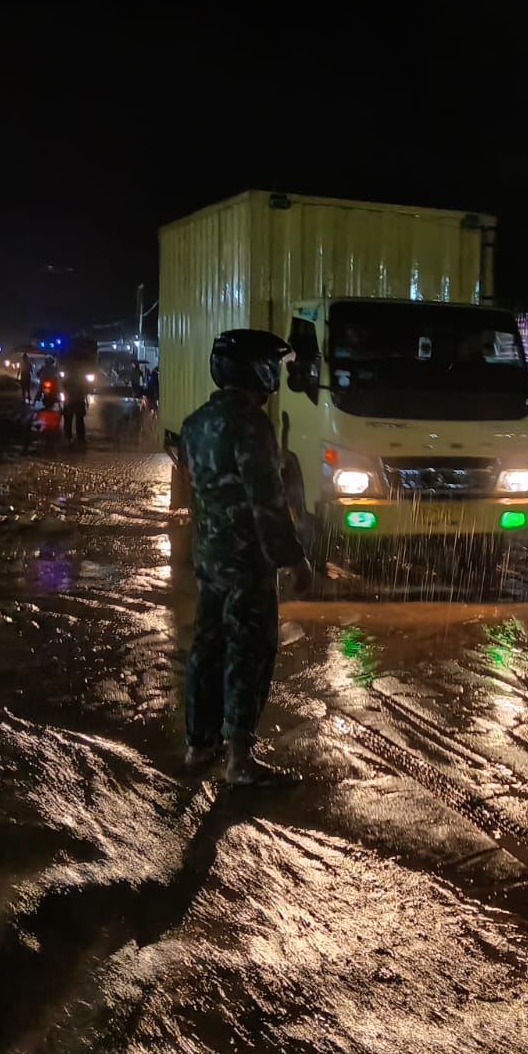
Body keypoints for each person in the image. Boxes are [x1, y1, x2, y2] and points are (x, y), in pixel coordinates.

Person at [180, 329, 313, 784]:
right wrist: (294, 559)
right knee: (249, 650)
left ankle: (199, 745)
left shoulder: (195, 423)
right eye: (269, 364)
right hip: (246, 561)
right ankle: (239, 760)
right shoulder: (251, 424)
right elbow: (267, 503)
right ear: (254, 369)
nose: (273, 372)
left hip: (209, 555)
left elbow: (193, 498)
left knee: (207, 646)